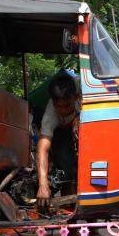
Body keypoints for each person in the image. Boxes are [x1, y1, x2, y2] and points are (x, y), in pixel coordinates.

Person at [36, 73, 80, 208]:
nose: (62, 110)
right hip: (59, 133)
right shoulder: (50, 114)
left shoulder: (86, 96)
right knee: (66, 167)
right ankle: (68, 207)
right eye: (58, 106)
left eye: (67, 106)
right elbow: (43, 147)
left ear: (76, 98)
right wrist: (43, 184)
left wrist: (77, 118)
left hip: (81, 127)